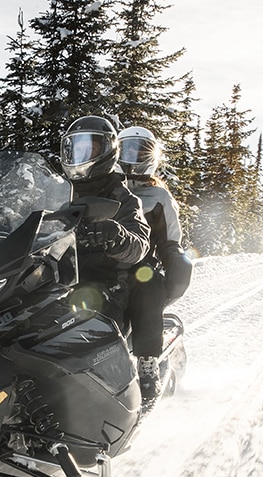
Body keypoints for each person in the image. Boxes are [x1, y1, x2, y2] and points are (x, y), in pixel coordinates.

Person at [117, 126, 193, 401]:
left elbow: (170, 240)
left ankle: (147, 362)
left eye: (139, 151)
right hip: (103, 264)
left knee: (146, 286)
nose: (132, 157)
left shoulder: (159, 197)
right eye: (126, 150)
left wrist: (175, 266)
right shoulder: (107, 187)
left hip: (141, 266)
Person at [58, 115, 150, 324]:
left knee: (89, 311)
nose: (80, 156)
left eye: (89, 149)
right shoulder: (58, 191)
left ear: (108, 150)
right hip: (56, 278)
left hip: (103, 279)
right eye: (75, 149)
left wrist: (117, 236)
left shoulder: (123, 198)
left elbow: (139, 245)